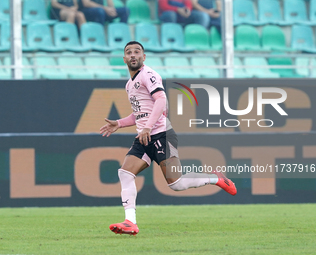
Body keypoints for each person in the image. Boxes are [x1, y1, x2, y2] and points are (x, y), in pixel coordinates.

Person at [99, 41, 237, 236]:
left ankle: (215, 178)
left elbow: (161, 100)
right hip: (144, 138)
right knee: (125, 173)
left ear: (143, 57)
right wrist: (119, 123)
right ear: (124, 59)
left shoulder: (149, 74)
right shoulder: (129, 84)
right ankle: (130, 222)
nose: (133, 55)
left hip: (161, 134)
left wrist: (147, 127)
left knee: (176, 184)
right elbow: (140, 113)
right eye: (128, 52)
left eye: (137, 52)